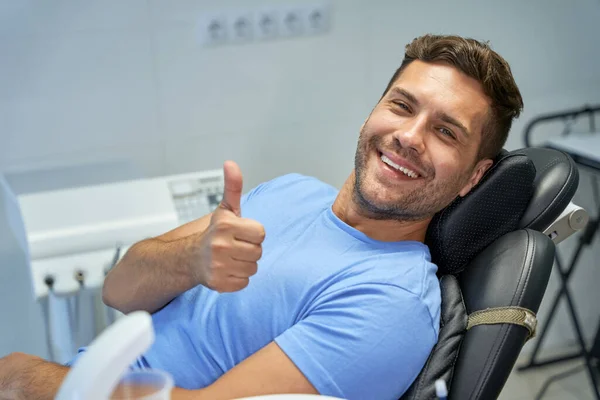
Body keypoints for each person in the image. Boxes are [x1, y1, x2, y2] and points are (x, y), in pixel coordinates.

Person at [0, 33, 524, 400]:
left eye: (446, 131)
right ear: (375, 111)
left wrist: (32, 383)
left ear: (474, 176)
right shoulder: (289, 193)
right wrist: (190, 259)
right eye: (402, 106)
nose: (409, 137)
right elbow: (118, 289)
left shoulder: (391, 303)